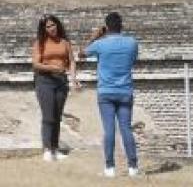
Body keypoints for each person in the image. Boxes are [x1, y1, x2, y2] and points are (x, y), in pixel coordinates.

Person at [84, 12, 139, 178]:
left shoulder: (100, 44)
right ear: (122, 25)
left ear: (106, 27)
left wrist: (94, 37)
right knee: (126, 129)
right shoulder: (132, 43)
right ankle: (133, 167)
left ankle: (109, 168)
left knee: (109, 130)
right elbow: (133, 61)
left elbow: (81, 53)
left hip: (106, 92)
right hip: (125, 91)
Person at [31, 14, 79, 162]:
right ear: (44, 29)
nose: (51, 28)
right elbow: (35, 64)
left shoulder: (65, 43)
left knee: (57, 117)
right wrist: (52, 67)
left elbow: (71, 61)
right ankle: (47, 149)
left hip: (61, 81)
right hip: (45, 80)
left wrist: (73, 78)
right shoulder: (40, 43)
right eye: (48, 26)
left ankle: (55, 149)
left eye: (53, 25)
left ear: (57, 25)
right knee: (48, 116)